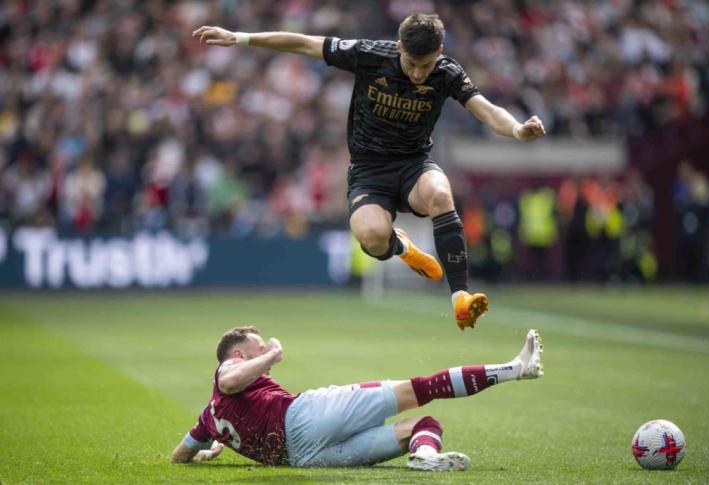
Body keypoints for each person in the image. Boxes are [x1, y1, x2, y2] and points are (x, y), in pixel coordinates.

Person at [192, 14, 547, 330]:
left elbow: (485, 110)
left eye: (425, 65)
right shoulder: (371, 55)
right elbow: (304, 43)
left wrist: (518, 130)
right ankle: (401, 246)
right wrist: (240, 38)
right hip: (369, 172)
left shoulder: (447, 72)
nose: (417, 73)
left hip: (415, 165)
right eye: (411, 63)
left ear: (439, 52)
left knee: (441, 194)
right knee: (373, 239)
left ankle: (460, 298)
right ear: (399, 47)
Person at [170, 325, 544, 471]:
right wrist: (274, 355)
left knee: (422, 425)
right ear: (238, 355)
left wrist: (208, 451)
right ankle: (515, 369)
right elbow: (231, 379)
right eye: (258, 346)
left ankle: (425, 457)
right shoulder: (228, 370)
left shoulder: (208, 418)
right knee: (417, 390)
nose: (264, 350)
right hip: (303, 418)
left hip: (302, 459)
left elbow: (179, 455)